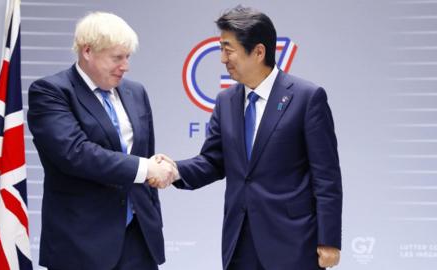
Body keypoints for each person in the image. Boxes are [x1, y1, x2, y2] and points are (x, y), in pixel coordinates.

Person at [151, 6, 342, 270]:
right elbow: (213, 161)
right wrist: (175, 171)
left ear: (259, 52)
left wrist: (329, 240)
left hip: (294, 242)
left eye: (228, 49)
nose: (222, 58)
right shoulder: (226, 100)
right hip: (240, 241)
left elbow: (327, 176)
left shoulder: (306, 98)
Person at [27, 12, 175, 270]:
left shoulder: (135, 92)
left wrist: (155, 168)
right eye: (117, 57)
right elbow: (75, 153)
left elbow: (143, 154)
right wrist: (145, 168)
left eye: (127, 57)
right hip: (81, 243)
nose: (125, 66)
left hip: (138, 240)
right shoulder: (51, 92)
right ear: (87, 51)